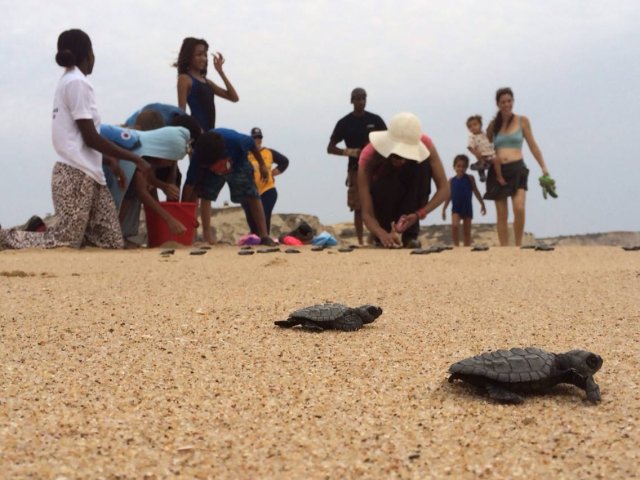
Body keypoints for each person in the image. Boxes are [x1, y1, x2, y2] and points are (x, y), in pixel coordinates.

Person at [0, 29, 150, 250]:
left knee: (110, 242)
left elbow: (80, 137)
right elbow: (90, 137)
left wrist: (109, 161)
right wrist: (134, 158)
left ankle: (38, 234)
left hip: (91, 175)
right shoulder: (76, 83)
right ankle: (5, 237)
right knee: (66, 241)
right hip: (75, 175)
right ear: (88, 54)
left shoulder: (70, 81)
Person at [357, 112, 449, 248]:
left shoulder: (425, 143)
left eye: (406, 155)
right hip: (383, 200)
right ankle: (382, 234)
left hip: (411, 201)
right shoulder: (369, 154)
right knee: (385, 180)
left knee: (423, 164)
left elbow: (444, 189)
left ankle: (410, 235)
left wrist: (419, 214)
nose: (401, 160)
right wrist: (381, 233)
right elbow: (366, 213)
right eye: (396, 156)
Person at [182, 128, 275, 246]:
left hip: (238, 163)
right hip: (214, 159)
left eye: (216, 166)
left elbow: (252, 144)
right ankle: (207, 236)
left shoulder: (238, 142)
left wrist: (262, 165)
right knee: (205, 195)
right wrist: (183, 211)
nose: (218, 170)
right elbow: (189, 184)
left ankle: (264, 235)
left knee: (252, 194)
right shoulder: (199, 155)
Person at [100, 124, 191, 243]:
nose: (170, 164)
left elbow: (145, 179)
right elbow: (142, 191)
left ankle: (117, 232)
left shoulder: (145, 155)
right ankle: (114, 233)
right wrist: (170, 220)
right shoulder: (137, 151)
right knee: (131, 189)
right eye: (170, 159)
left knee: (131, 191)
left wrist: (164, 186)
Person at [484, 87, 550, 246]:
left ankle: (518, 245)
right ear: (498, 104)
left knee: (519, 208)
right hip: (498, 171)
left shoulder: (523, 121)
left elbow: (533, 146)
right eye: (503, 102)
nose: (506, 104)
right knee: (501, 214)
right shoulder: (493, 125)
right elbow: (485, 148)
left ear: (512, 101)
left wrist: (543, 167)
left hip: (517, 169)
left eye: (509, 101)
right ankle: (504, 249)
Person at [327, 88, 386, 245]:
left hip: (377, 168)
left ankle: (377, 237)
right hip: (356, 168)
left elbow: (388, 141)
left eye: (363, 98)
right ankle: (360, 241)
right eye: (357, 99)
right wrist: (351, 152)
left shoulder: (376, 120)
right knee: (358, 206)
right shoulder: (344, 123)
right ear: (351, 100)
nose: (361, 102)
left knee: (379, 201)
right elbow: (330, 148)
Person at [175, 37, 239, 132]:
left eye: (205, 55)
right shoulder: (185, 79)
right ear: (189, 56)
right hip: (197, 134)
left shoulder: (208, 82)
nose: (203, 58)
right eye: (199, 54)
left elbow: (234, 98)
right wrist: (197, 131)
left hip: (210, 133)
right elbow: (182, 112)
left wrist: (220, 72)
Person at [241, 127, 289, 235]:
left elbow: (284, 161)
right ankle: (255, 237)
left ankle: (265, 237)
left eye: (259, 137)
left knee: (265, 214)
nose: (257, 140)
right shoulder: (245, 154)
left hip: (267, 189)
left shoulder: (268, 152)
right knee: (251, 217)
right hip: (249, 190)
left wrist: (273, 172)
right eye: (254, 137)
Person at [441, 154, 486, 246]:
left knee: (467, 232)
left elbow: (476, 191)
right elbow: (449, 196)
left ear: (466, 168)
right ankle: (456, 246)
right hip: (456, 208)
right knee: (455, 226)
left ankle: (466, 250)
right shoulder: (451, 181)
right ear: (454, 167)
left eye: (463, 167)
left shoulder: (470, 178)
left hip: (467, 207)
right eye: (458, 166)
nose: (461, 169)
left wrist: (482, 204)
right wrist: (444, 209)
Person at [466, 115, 497, 183]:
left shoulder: (483, 134)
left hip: (490, 152)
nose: (473, 127)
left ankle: (496, 174)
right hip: (482, 155)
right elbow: (470, 147)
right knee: (481, 165)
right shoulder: (472, 137)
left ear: (480, 125)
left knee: (495, 162)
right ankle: (482, 176)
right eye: (470, 126)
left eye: (475, 125)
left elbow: (490, 135)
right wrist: (476, 153)